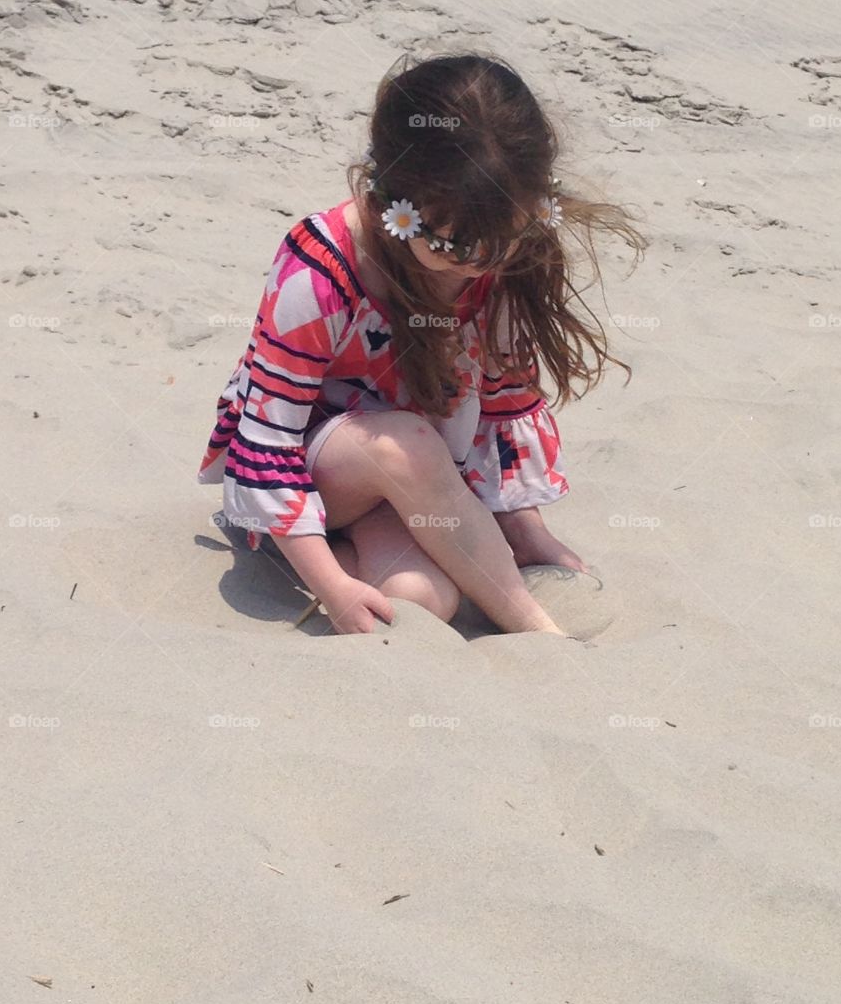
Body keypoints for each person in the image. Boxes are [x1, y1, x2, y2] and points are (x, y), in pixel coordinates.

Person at [198, 52, 645, 635]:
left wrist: (526, 531)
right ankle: (540, 633)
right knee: (399, 444)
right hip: (318, 468)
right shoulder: (322, 267)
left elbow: (505, 398)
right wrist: (331, 589)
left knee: (419, 599)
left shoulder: (502, 251)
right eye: (455, 248)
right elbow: (271, 435)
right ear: (394, 206)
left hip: (414, 485)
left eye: (503, 241)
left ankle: (359, 556)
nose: (479, 265)